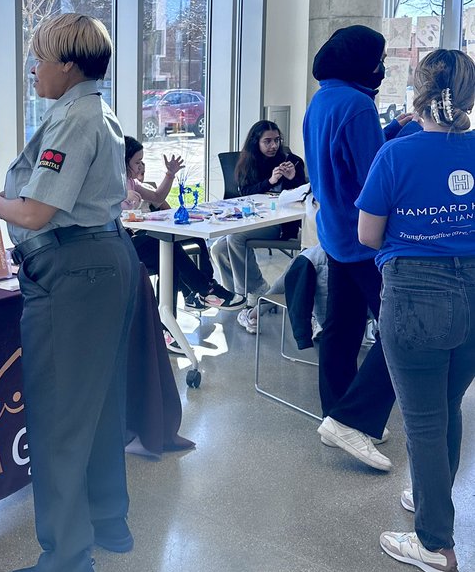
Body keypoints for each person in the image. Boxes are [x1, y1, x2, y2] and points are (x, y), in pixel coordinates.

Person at [0, 13, 139, 572]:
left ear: (68, 64)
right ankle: (108, 523)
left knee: (61, 418)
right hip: (103, 262)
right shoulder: (99, 112)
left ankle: (68, 564)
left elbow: (37, 213)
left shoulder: (73, 119)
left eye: (39, 56)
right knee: (96, 407)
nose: (33, 67)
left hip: (73, 271)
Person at [357, 49, 475, 572]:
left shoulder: (397, 155)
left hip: (416, 297)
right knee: (447, 407)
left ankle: (434, 545)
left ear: (420, 93)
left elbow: (367, 234)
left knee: (424, 421)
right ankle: (432, 498)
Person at [303, 24, 411, 471]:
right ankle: (353, 418)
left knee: (342, 327)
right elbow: (373, 178)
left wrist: (388, 130)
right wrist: (404, 142)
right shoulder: (358, 104)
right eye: (379, 58)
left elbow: (343, 160)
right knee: (403, 330)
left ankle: (336, 412)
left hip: (335, 231)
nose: (382, 67)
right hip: (366, 239)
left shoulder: (323, 99)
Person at [124, 136, 244, 312]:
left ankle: (169, 319)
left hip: (137, 238)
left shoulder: (132, 183)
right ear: (124, 161)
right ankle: (206, 291)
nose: (141, 166)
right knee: (164, 245)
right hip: (123, 244)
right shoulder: (112, 186)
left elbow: (157, 197)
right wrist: (123, 195)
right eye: (137, 162)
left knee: (179, 247)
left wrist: (170, 174)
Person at [211, 120, 306, 329]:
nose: (273, 146)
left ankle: (250, 294)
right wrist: (270, 182)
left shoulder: (294, 162)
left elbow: (302, 195)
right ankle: (237, 295)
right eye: (268, 141)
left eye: (276, 140)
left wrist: (291, 179)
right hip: (253, 219)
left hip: (282, 224)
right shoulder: (248, 162)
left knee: (235, 238)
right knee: (218, 248)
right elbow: (244, 192)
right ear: (256, 143)